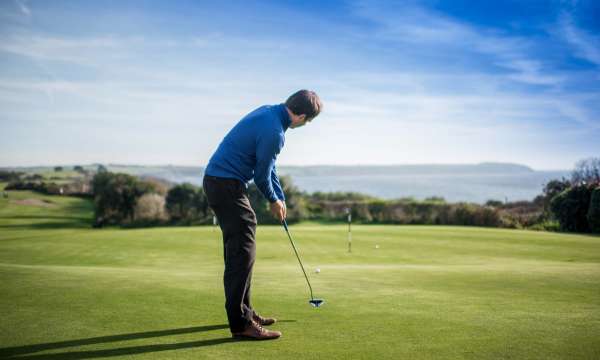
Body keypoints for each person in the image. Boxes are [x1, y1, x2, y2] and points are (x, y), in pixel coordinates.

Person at [203, 90, 322, 340]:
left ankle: (244, 312)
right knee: (242, 252)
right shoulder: (275, 132)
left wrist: (280, 197)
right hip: (225, 184)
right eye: (308, 120)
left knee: (241, 249)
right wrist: (272, 200)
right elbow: (260, 175)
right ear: (301, 116)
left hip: (221, 182)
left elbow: (269, 166)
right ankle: (240, 323)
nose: (305, 124)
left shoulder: (269, 113)